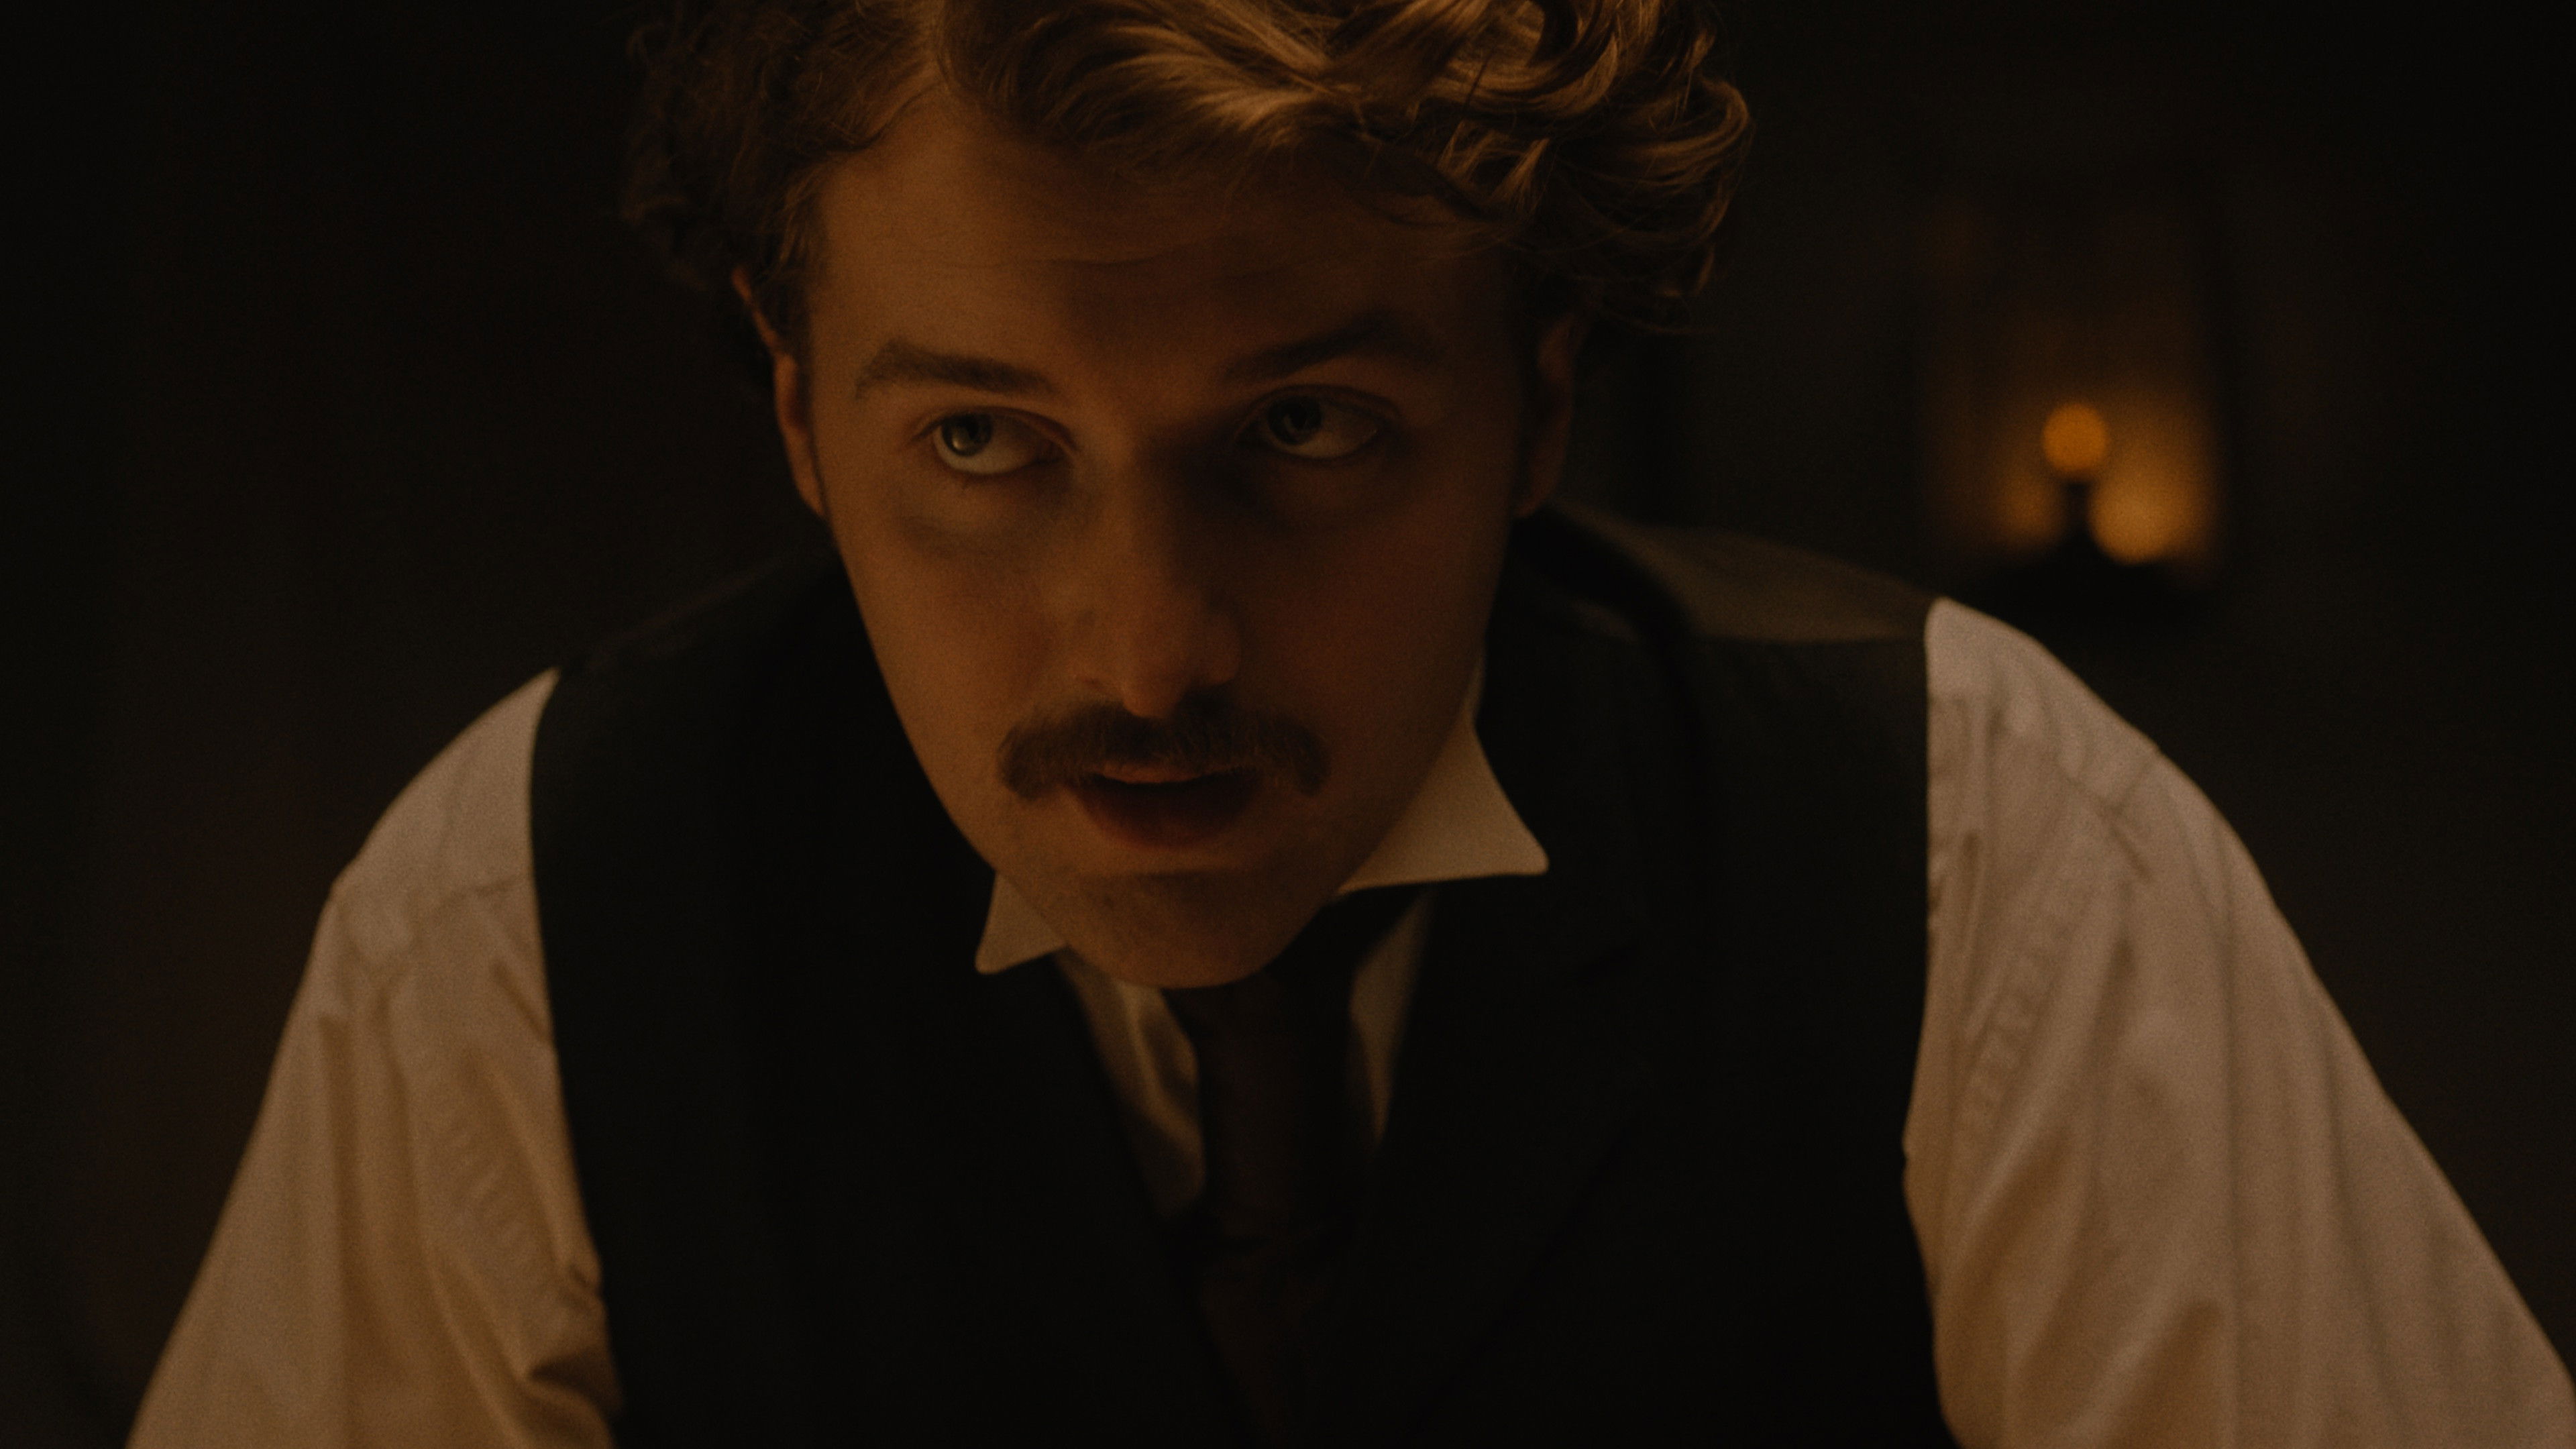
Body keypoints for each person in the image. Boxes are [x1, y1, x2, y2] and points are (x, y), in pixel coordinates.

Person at [130, 1, 2573, 1445]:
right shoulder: (524, 917)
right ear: (797, 416)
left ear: (1539, 402)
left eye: (1305, 432)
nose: (1148, 655)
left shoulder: (1976, 840)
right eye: (980, 441)